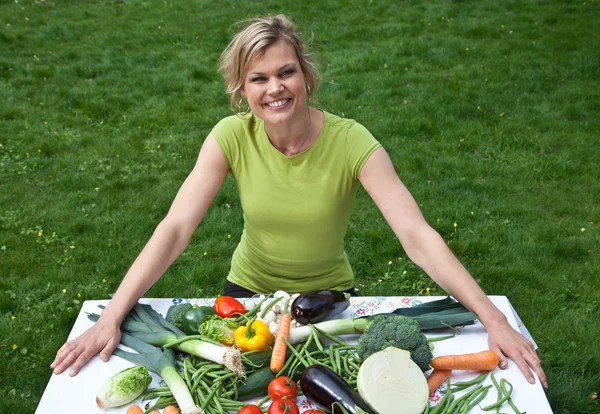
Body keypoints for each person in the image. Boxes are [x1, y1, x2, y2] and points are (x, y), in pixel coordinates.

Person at [51, 14, 547, 388]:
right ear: (241, 90)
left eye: (285, 72)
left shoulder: (354, 143)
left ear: (306, 75)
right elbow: (176, 228)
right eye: (258, 79)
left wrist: (493, 318)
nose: (275, 89)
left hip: (329, 304)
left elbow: (417, 236)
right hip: (243, 302)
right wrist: (114, 314)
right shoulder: (230, 137)